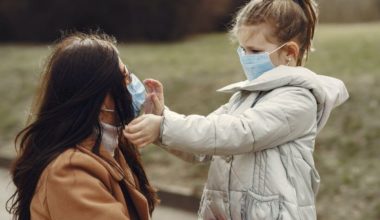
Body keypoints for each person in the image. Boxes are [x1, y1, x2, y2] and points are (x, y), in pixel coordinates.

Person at [124, 0, 349, 219]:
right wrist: (161, 116)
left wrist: (164, 127)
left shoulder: (298, 100)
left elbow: (237, 132)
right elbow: (203, 146)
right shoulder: (243, 98)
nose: (245, 57)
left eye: (254, 50)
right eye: (242, 49)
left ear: (290, 52)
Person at [7, 32, 159, 220]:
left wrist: (161, 125)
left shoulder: (110, 149)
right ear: (102, 99)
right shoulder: (70, 172)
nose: (134, 85)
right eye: (126, 78)